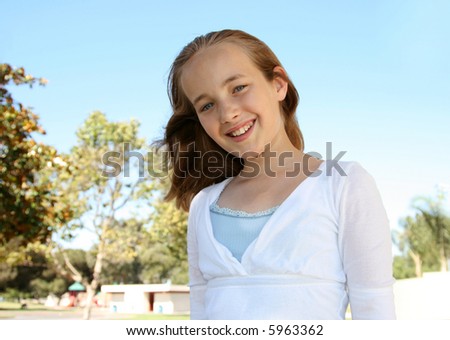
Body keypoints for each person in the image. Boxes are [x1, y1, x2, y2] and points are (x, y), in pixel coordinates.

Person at [159, 29, 396, 320]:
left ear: (278, 85)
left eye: (238, 88)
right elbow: (201, 317)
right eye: (207, 105)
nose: (227, 113)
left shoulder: (344, 185)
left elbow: (376, 313)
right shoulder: (203, 206)